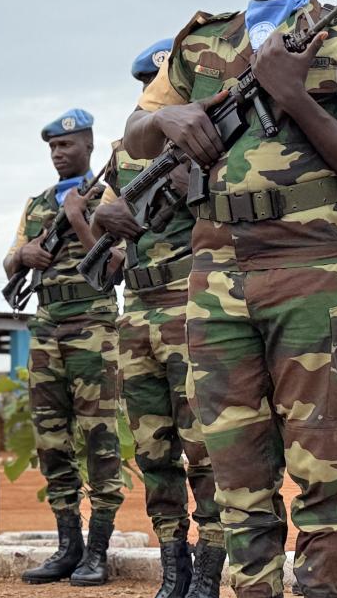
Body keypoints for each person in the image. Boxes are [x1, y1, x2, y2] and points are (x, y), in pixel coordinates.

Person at [123, 0, 337, 598]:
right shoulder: (200, 44)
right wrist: (172, 118)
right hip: (215, 275)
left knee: (325, 468)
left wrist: (298, 97)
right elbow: (135, 132)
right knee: (236, 472)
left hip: (313, 271)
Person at [89, 41, 223, 598]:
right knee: (153, 447)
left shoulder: (210, 141)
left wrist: (196, 189)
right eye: (151, 85)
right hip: (138, 313)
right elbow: (101, 227)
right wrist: (105, 217)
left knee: (205, 446)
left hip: (191, 304)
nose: (157, 93)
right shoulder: (125, 154)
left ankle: (209, 567)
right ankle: (173, 564)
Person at [4, 107, 125, 587]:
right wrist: (24, 255)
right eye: (53, 146)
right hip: (47, 327)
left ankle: (98, 550)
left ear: (89, 146)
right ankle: (68, 546)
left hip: (92, 326)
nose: (58, 153)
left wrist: (78, 219)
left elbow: (115, 265)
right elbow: (10, 260)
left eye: (67, 145)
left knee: (99, 438)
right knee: (51, 440)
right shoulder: (36, 204)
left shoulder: (109, 196)